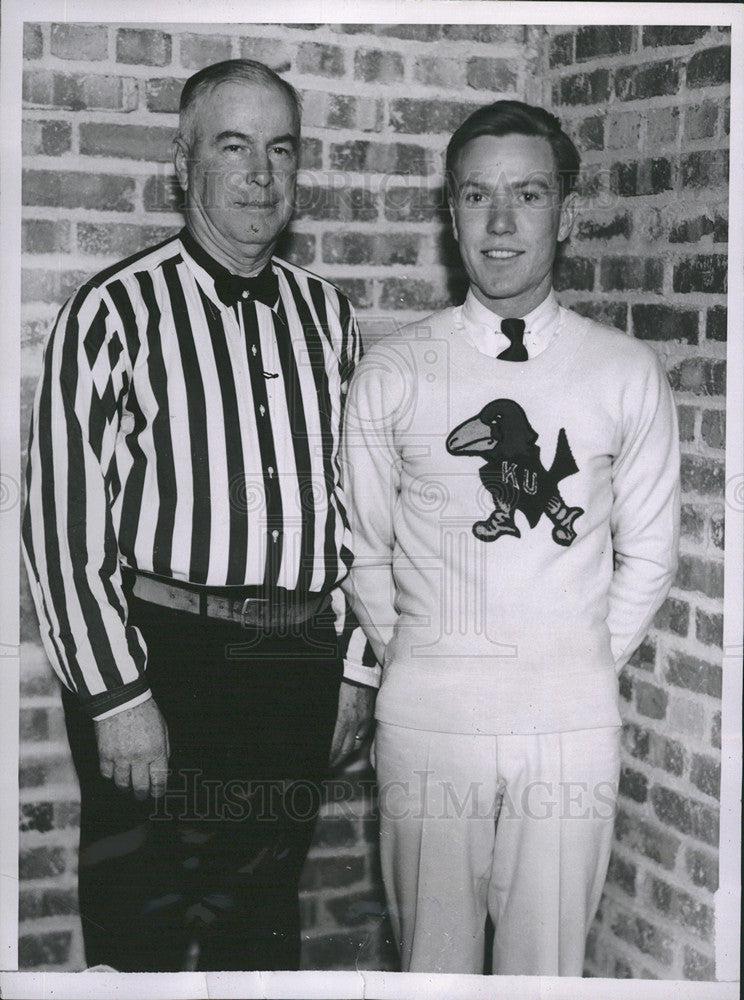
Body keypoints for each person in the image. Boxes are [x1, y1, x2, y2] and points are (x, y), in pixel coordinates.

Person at [22, 59, 378, 973]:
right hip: (162, 665)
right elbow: (62, 527)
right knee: (137, 936)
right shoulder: (113, 311)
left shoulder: (329, 319)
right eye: (234, 146)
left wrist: (354, 667)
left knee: (259, 937)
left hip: (293, 667)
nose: (262, 173)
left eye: (280, 149)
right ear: (183, 165)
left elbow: (362, 509)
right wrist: (117, 697)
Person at [342, 100, 680, 976]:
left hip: (569, 726)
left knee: (546, 974)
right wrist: (429, 656)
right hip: (430, 724)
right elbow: (363, 549)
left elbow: (649, 555)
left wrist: (567, 658)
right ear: (451, 214)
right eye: (476, 197)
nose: (500, 224)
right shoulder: (392, 370)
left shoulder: (625, 371)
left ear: (565, 214)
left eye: (527, 196)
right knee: (433, 969)